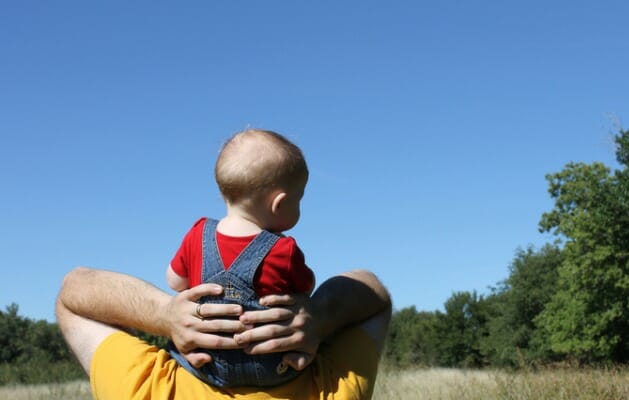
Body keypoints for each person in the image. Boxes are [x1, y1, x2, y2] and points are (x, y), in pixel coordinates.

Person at [56, 266, 391, 400]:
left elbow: (73, 293)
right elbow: (373, 293)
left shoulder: (154, 389)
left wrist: (165, 314)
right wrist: (319, 316)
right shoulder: (326, 388)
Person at [165, 129, 315, 387]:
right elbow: (305, 289)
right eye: (298, 199)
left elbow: (174, 281)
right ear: (279, 204)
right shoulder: (284, 249)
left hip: (205, 366)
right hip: (270, 370)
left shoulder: (198, 234)